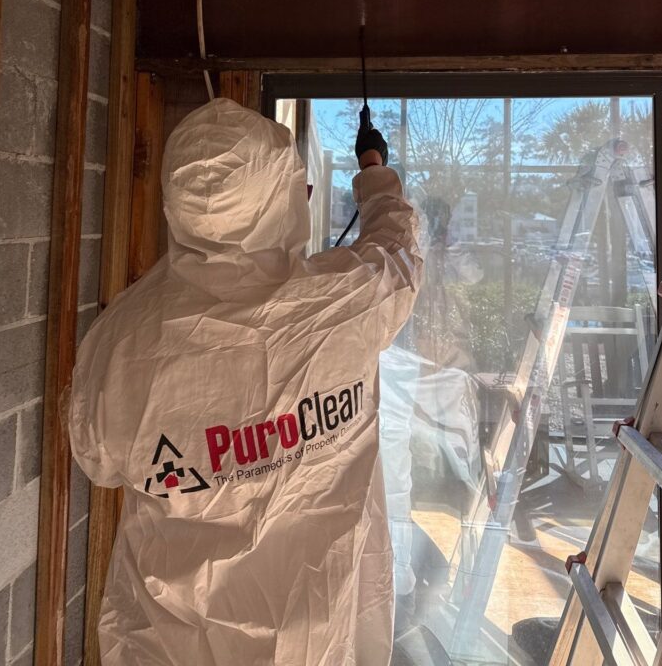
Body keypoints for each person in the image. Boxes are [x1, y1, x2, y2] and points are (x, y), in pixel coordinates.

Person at [69, 97, 422, 666]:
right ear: (284, 201)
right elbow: (399, 255)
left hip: (166, 645)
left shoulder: (121, 341)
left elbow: (99, 460)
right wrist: (375, 175)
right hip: (321, 640)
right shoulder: (344, 303)